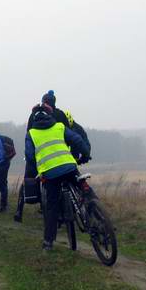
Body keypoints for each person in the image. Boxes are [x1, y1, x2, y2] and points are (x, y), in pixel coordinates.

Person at [15, 89, 90, 222]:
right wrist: (77, 154)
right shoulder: (61, 115)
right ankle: (92, 210)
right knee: (78, 182)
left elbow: (29, 135)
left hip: (43, 158)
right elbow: (71, 136)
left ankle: (19, 211)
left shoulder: (34, 115)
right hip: (64, 155)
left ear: (43, 102)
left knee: (30, 180)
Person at [25, 104, 90, 251]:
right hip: (69, 167)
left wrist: (36, 171)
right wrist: (85, 154)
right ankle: (98, 214)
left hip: (50, 173)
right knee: (84, 187)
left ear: (33, 118)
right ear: (50, 115)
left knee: (52, 207)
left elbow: (29, 156)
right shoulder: (59, 126)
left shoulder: (31, 133)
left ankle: (48, 242)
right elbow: (78, 140)